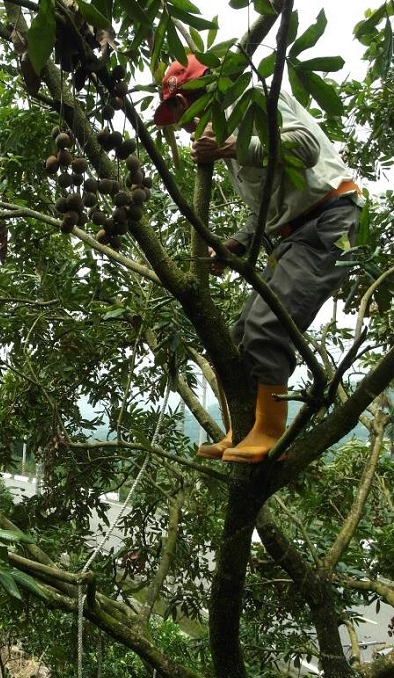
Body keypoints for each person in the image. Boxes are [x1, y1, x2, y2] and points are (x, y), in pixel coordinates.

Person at [154, 54, 364, 463]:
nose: (183, 121)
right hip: (290, 233)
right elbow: (266, 207)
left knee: (268, 325)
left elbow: (303, 146)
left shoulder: (253, 101)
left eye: (180, 105)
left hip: (328, 220)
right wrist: (234, 244)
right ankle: (244, 429)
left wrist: (233, 147)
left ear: (199, 90)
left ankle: (269, 430)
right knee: (239, 335)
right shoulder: (223, 140)